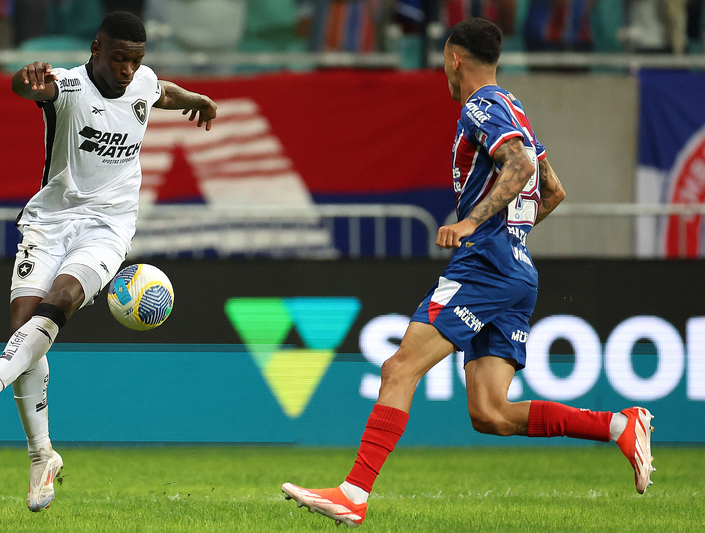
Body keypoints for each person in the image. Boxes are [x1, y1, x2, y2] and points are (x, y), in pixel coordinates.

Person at [281, 18, 655, 528]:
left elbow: (520, 166)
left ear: (454, 59)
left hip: (485, 265)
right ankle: (618, 425)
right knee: (491, 412)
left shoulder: (480, 107)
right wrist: (511, 236)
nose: (444, 71)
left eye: (443, 61)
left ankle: (353, 493)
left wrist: (474, 225)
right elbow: (553, 191)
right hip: (516, 269)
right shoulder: (515, 108)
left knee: (399, 369)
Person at [0, 10, 216, 513]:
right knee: (23, 329)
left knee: (61, 299)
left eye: (135, 60)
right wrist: (23, 79)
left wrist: (195, 99)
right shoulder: (69, 87)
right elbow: (29, 88)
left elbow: (162, 91)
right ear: (96, 49)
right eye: (119, 59)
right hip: (49, 221)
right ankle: (42, 455)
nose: (128, 70)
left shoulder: (142, 81)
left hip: (108, 228)